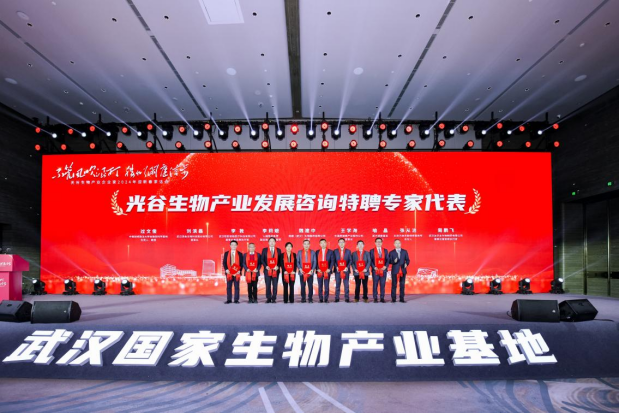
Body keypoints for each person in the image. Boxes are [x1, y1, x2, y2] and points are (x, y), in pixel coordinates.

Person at [222, 240, 244, 304]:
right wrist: (226, 269)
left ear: (237, 246)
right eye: (232, 245)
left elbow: (242, 263)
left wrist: (239, 270)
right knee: (229, 287)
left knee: (236, 287)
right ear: (230, 245)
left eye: (235, 245)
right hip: (229, 272)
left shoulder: (240, 254)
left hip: (237, 273)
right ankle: (229, 299)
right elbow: (224, 262)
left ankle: (236, 300)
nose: (233, 246)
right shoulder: (226, 253)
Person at [389, 239, 410, 303]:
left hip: (402, 270)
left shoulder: (404, 251)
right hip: (395, 271)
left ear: (400, 244)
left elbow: (408, 260)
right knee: (394, 285)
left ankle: (402, 298)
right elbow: (389, 261)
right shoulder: (391, 252)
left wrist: (406, 264)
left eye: (399, 243)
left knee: (402, 285)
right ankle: (393, 299)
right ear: (394, 244)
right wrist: (394, 261)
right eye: (396, 243)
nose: (397, 244)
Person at [261, 237, 281, 304]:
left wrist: (278, 266)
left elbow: (280, 260)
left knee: (275, 285)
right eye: (270, 241)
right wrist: (266, 266)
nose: (272, 243)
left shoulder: (278, 250)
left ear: (275, 242)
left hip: (275, 270)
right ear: (268, 242)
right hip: (267, 270)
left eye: (273, 241)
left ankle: (274, 298)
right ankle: (268, 298)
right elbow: (262, 259)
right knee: (268, 285)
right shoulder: (264, 250)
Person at [370, 238, 390, 303]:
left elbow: (388, 259)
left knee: (382, 285)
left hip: (383, 270)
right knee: (375, 285)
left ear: (382, 243)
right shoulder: (372, 251)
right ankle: (375, 298)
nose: (378, 243)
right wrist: (374, 267)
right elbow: (370, 260)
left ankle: (382, 298)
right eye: (377, 242)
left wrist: (385, 266)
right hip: (375, 270)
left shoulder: (385, 250)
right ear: (375, 243)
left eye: (380, 242)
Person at [333, 238, 352, 303]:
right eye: (340, 242)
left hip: (345, 271)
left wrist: (347, 267)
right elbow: (333, 260)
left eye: (342, 242)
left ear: (345, 243)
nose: (341, 243)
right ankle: (337, 298)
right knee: (337, 285)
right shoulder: (335, 251)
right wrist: (336, 267)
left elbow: (350, 260)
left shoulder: (348, 251)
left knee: (346, 285)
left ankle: (347, 298)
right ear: (338, 243)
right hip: (338, 271)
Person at [315, 238, 334, 303]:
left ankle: (326, 299)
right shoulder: (317, 252)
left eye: (324, 243)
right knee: (320, 286)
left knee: (326, 286)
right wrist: (317, 268)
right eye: (321, 243)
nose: (323, 244)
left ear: (326, 243)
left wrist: (330, 269)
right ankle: (320, 299)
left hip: (327, 271)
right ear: (319, 244)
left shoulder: (330, 251)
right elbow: (315, 261)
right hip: (319, 271)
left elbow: (332, 261)